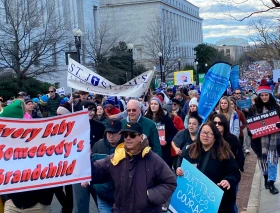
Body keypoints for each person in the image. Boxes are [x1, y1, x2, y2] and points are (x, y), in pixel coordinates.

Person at [91, 122, 177, 212]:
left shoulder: (153, 159)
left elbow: (170, 182)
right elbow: (97, 170)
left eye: (132, 135)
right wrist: (85, 161)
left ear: (140, 137)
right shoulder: (117, 156)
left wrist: (149, 195)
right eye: (125, 135)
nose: (128, 138)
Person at [0, 100, 54, 213]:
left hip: (38, 205)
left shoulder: (41, 143)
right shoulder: (3, 146)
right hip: (12, 204)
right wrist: (7, 198)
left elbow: (55, 169)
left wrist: (45, 200)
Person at [176, 122, 241, 213]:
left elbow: (234, 173)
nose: (205, 136)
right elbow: (180, 163)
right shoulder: (190, 150)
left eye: (209, 133)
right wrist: (179, 169)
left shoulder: (223, 153)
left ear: (215, 136)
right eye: (203, 132)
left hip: (218, 203)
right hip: (194, 202)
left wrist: (228, 180)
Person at [248, 79, 280, 194]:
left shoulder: (276, 107)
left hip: (274, 139)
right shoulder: (254, 108)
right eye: (262, 95)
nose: (265, 97)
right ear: (259, 95)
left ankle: (271, 183)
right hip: (260, 140)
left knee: (272, 161)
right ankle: (266, 178)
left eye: (266, 95)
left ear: (269, 95)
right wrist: (251, 132)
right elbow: (250, 124)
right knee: (263, 162)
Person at [92, 120, 123, 213]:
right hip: (103, 195)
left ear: (121, 132)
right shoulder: (98, 145)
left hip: (123, 197)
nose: (111, 135)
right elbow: (92, 168)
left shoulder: (128, 146)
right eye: (108, 132)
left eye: (114, 132)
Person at [144, 95, 178, 168]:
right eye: (151, 104)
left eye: (155, 104)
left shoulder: (166, 119)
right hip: (149, 149)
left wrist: (167, 141)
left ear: (159, 106)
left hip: (164, 151)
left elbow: (173, 133)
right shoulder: (145, 118)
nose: (153, 106)